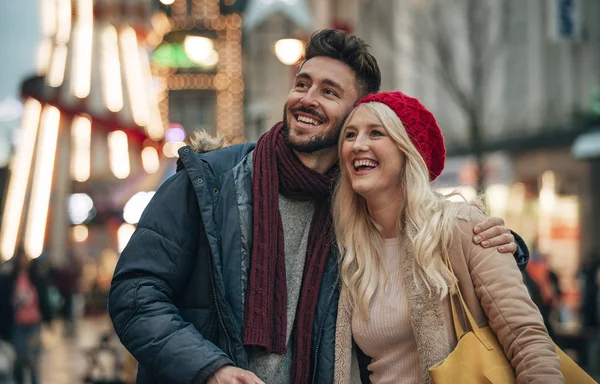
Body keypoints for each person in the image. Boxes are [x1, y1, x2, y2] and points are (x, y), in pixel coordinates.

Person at [108, 29, 526, 384]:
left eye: (329, 92)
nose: (307, 98)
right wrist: (209, 368)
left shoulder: (358, 204)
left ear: (353, 116)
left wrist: (504, 246)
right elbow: (135, 294)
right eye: (302, 84)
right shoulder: (210, 182)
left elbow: (427, 237)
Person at [332, 92, 561, 383]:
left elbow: (527, 340)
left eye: (376, 132)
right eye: (350, 135)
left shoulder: (462, 227)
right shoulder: (349, 250)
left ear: (408, 150)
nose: (357, 145)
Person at [0, 249, 53, 384]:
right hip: (18, 324)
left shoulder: (35, 279)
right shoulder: (10, 280)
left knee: (34, 361)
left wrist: (48, 318)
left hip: (33, 324)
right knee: (19, 360)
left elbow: (43, 299)